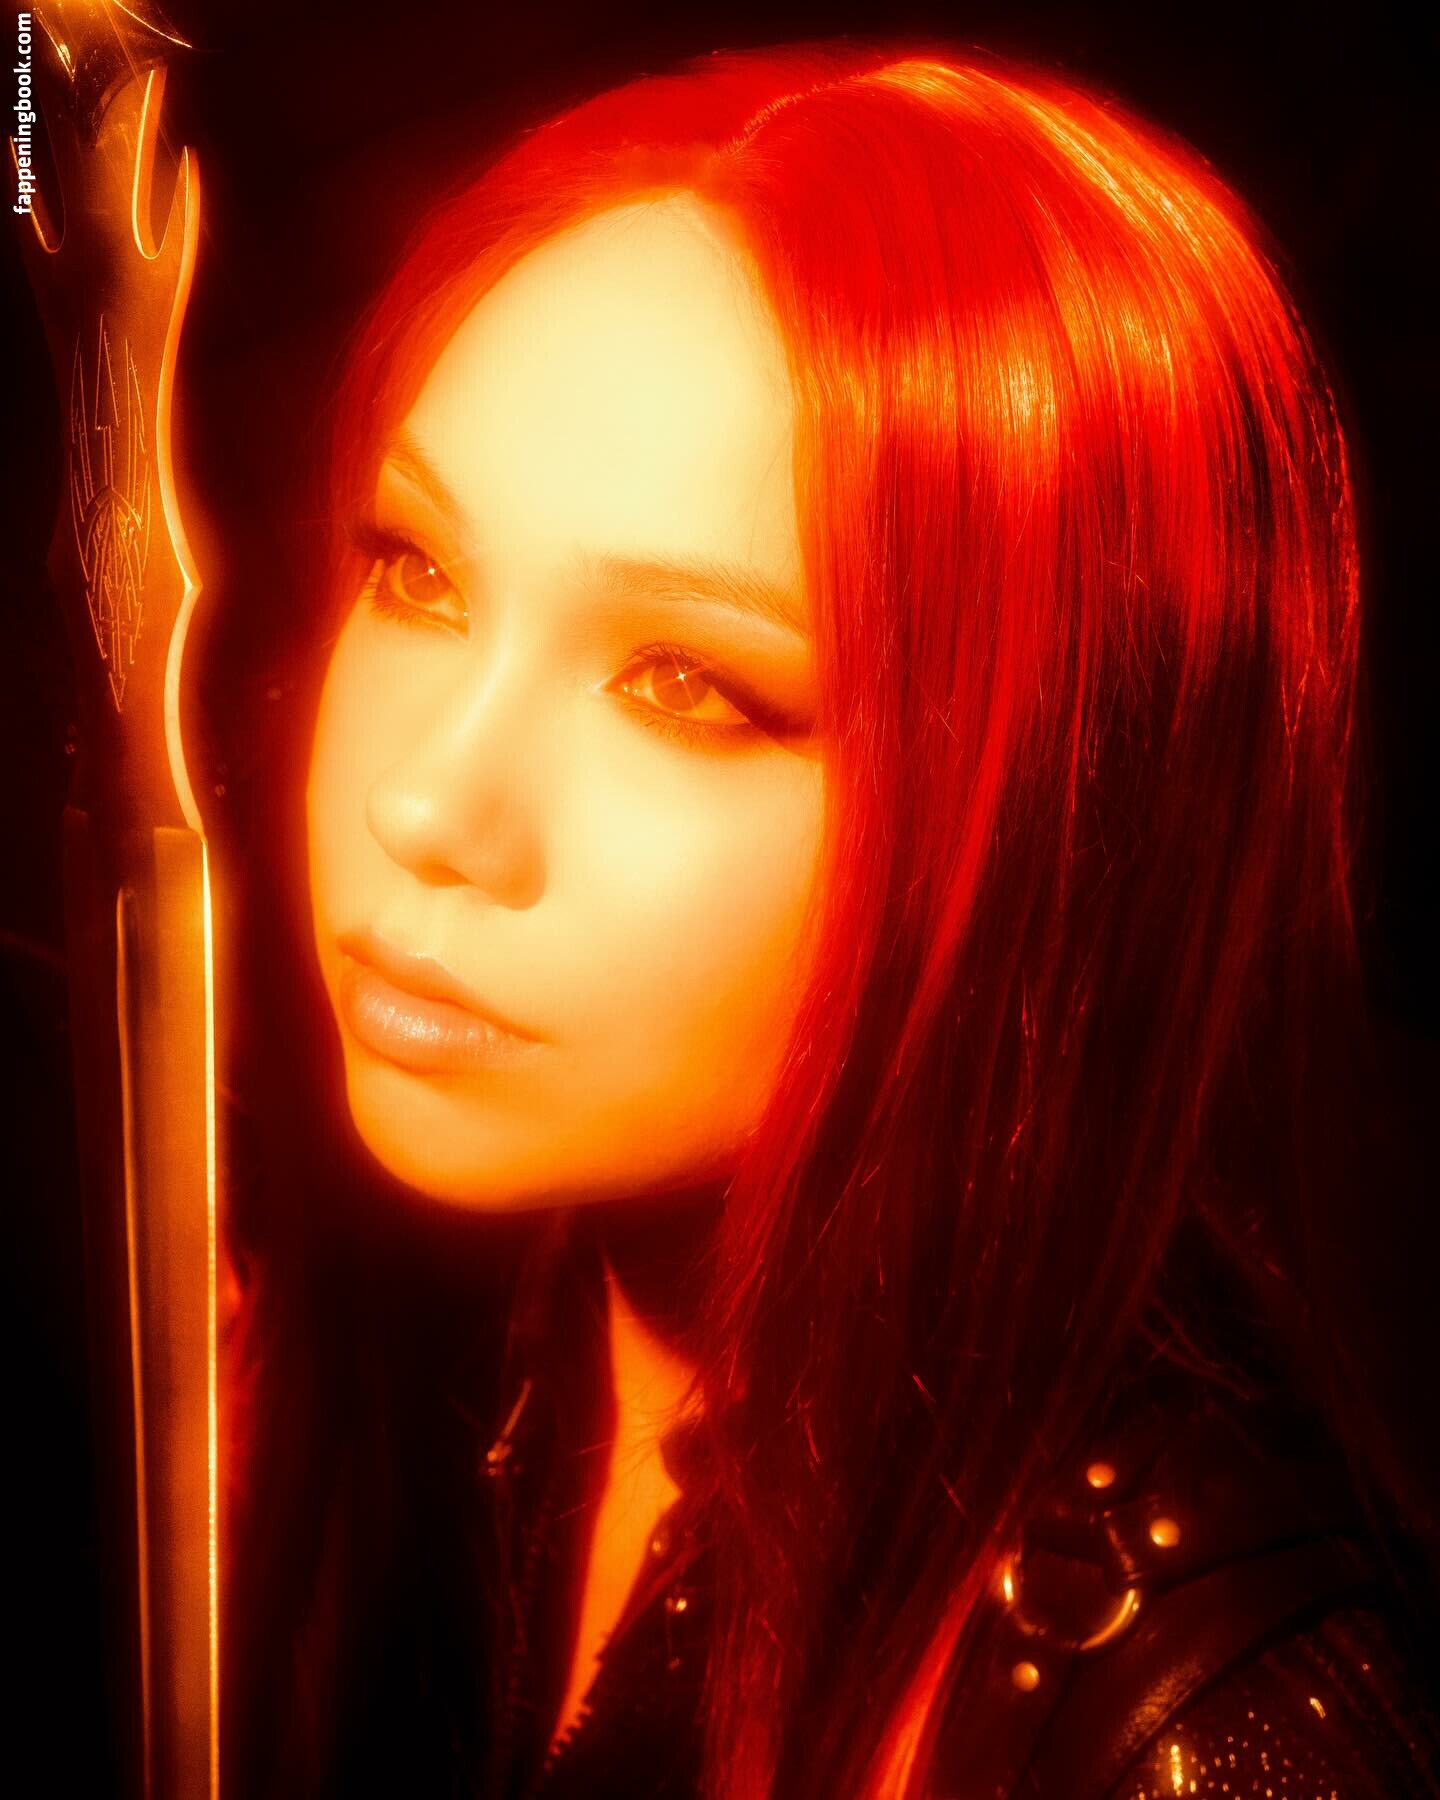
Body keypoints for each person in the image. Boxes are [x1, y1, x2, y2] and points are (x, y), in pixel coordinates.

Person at [225, 36, 1440, 1799]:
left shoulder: (1206, 1740)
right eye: (418, 572)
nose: (423, 806)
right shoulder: (408, 1311)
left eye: (685, 683)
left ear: (1054, 827)